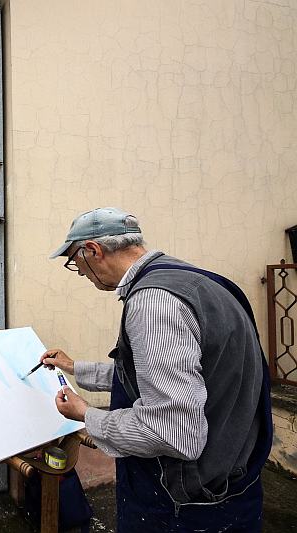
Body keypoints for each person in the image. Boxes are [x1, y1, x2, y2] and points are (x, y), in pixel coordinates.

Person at [42, 207, 272, 532]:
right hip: (233, 483)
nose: (80, 273)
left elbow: (173, 432)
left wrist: (87, 416)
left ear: (92, 251)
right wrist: (72, 367)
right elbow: (153, 379)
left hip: (184, 506)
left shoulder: (153, 303)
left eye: (75, 263)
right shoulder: (195, 280)